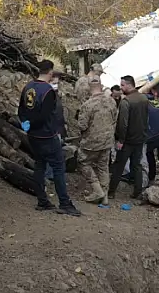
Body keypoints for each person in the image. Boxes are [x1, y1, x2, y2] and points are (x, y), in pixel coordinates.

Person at [18, 60, 81, 216]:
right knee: (58, 167)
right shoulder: (48, 91)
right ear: (51, 72)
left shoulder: (28, 87)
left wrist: (27, 125)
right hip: (47, 135)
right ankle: (64, 203)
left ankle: (42, 200)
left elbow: (21, 110)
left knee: (39, 165)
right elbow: (45, 115)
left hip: (32, 135)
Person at [75, 77, 117, 204]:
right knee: (103, 167)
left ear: (88, 88)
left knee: (83, 162)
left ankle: (97, 189)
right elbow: (114, 119)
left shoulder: (87, 105)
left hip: (91, 143)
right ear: (101, 85)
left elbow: (82, 125)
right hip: (107, 140)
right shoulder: (112, 102)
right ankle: (104, 196)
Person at [107, 75, 148, 200]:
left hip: (127, 140)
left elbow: (123, 123)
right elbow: (145, 119)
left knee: (119, 165)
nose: (121, 88)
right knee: (137, 165)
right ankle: (137, 191)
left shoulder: (126, 102)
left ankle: (111, 192)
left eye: (122, 85)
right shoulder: (144, 98)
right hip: (140, 139)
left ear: (130, 85)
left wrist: (120, 140)